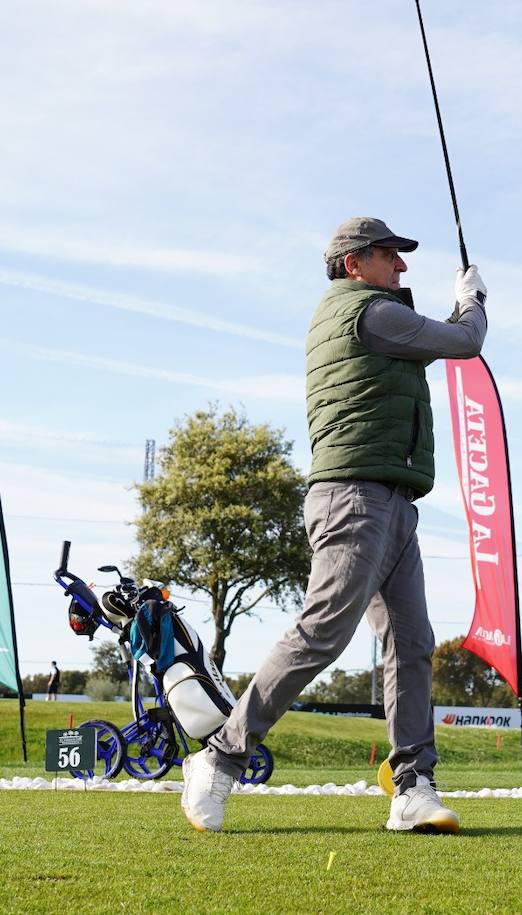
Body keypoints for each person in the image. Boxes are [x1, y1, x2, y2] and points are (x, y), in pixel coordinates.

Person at [181, 216, 487, 833]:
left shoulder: (373, 311)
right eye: (390, 255)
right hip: (355, 498)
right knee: (323, 631)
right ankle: (218, 758)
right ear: (353, 262)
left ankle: (411, 787)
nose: (401, 266)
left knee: (412, 642)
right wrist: (472, 300)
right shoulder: (369, 315)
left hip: (392, 501)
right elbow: (465, 342)